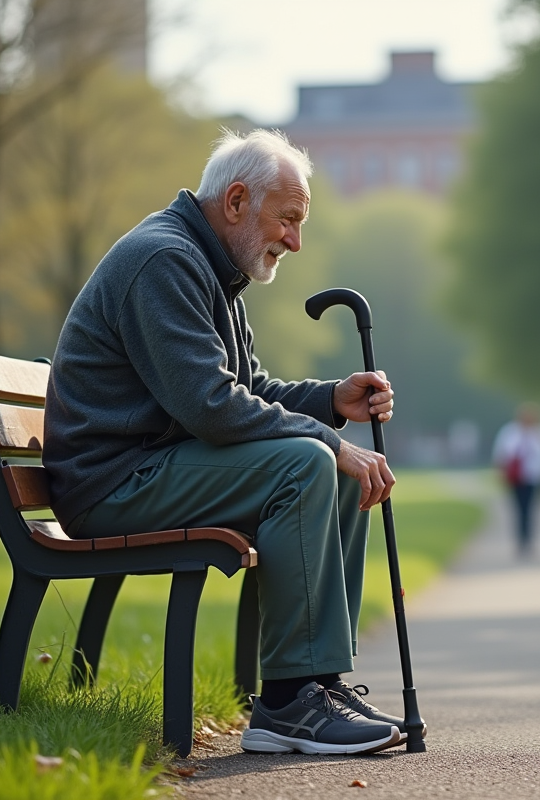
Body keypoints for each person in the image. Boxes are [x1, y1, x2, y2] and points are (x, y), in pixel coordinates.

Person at [43, 129, 407, 755]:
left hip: (152, 466)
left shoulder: (207, 262)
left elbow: (247, 389)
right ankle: (290, 703)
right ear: (236, 201)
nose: (295, 239)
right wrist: (326, 439)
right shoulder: (165, 260)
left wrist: (329, 400)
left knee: (333, 466)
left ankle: (318, 683)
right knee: (306, 463)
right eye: (288, 219)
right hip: (114, 483)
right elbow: (211, 407)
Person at [492, 403, 540, 557]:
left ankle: (528, 540)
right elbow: (500, 453)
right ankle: (520, 540)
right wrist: (500, 472)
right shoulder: (509, 432)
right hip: (515, 478)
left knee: (530, 509)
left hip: (534, 477)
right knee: (518, 509)